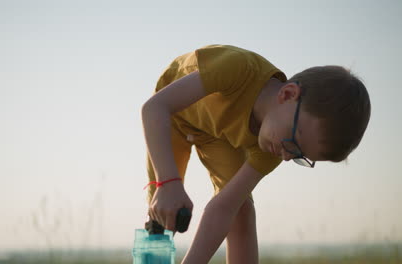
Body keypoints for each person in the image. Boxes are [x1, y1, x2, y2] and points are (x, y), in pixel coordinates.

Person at [141, 44, 371, 264]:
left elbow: (223, 209)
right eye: (295, 141)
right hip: (171, 114)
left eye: (300, 156)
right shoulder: (239, 69)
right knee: (162, 216)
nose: (288, 156)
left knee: (240, 208)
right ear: (289, 94)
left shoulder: (274, 149)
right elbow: (154, 108)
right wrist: (168, 182)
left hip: (215, 134)